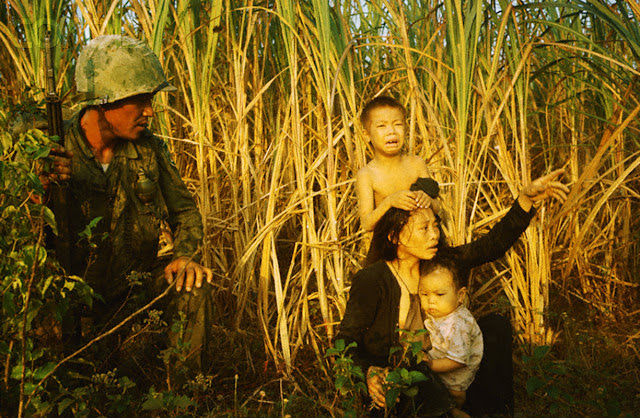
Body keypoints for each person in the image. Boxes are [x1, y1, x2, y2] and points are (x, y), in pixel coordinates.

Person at [41, 35, 213, 373]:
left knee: (192, 286)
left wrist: (184, 256)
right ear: (104, 102)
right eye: (140, 100)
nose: (150, 110)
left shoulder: (150, 149)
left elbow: (187, 212)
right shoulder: (51, 146)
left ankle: (185, 400)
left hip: (130, 289)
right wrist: (39, 187)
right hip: (67, 300)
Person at [337, 169, 569, 415]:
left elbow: (491, 246)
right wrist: (369, 372)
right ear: (395, 236)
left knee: (496, 327)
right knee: (418, 370)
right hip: (404, 381)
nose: (434, 235)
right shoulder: (373, 280)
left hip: (449, 373)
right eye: (423, 228)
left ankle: (494, 412)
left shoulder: (440, 265)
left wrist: (525, 201)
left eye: (435, 226)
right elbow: (345, 342)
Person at [355, 96, 438, 233]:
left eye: (397, 124)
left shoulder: (416, 164)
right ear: (367, 135)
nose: (391, 131)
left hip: (420, 243)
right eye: (382, 126)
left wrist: (428, 200)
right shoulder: (367, 175)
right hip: (388, 246)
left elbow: (437, 206)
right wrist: (389, 202)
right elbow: (366, 223)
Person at [419, 256, 483, 418]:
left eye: (440, 294)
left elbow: (458, 360)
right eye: (424, 294)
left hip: (459, 367)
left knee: (455, 392)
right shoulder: (440, 311)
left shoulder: (458, 325)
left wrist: (431, 365)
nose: (431, 301)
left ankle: (456, 410)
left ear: (460, 296)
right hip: (441, 356)